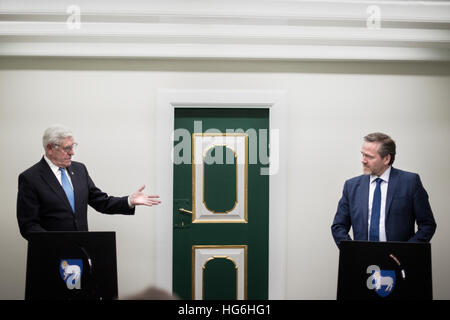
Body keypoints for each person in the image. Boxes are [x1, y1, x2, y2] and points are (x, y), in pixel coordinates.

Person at [17, 125, 161, 240]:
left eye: (73, 146)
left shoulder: (79, 170)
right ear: (50, 148)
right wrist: (55, 243)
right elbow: (28, 225)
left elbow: (100, 201)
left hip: (81, 249)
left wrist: (129, 201)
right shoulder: (30, 178)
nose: (72, 152)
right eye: (67, 148)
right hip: (50, 255)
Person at [331, 132, 436, 247]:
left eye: (369, 156)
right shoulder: (351, 186)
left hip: (399, 261)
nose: (363, 160)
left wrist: (406, 252)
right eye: (363, 155)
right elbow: (338, 226)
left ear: (386, 159)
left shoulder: (410, 182)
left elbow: (427, 224)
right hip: (362, 259)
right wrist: (352, 251)